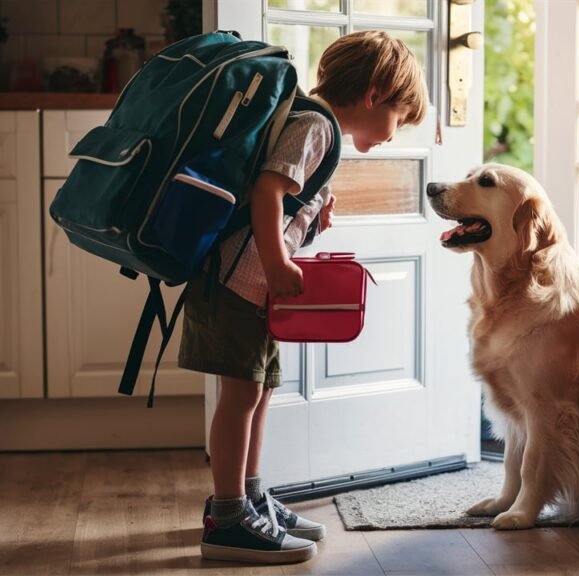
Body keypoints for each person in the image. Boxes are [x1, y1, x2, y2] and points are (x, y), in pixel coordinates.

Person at [178, 30, 427, 565]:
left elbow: (279, 208)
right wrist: (276, 262)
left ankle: (249, 497)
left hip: (250, 288)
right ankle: (227, 519)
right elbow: (267, 191)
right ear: (374, 93)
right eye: (401, 116)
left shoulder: (317, 128)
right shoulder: (316, 125)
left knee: (260, 392)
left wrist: (310, 228)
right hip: (237, 285)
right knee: (242, 397)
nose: (396, 131)